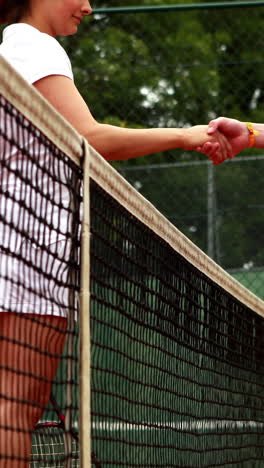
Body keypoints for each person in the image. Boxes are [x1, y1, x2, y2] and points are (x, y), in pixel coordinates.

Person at [0, 1, 231, 466]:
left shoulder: (12, 46)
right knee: (12, 414)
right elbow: (90, 137)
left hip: (20, 249)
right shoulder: (32, 43)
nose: (87, 6)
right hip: (27, 256)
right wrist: (185, 135)